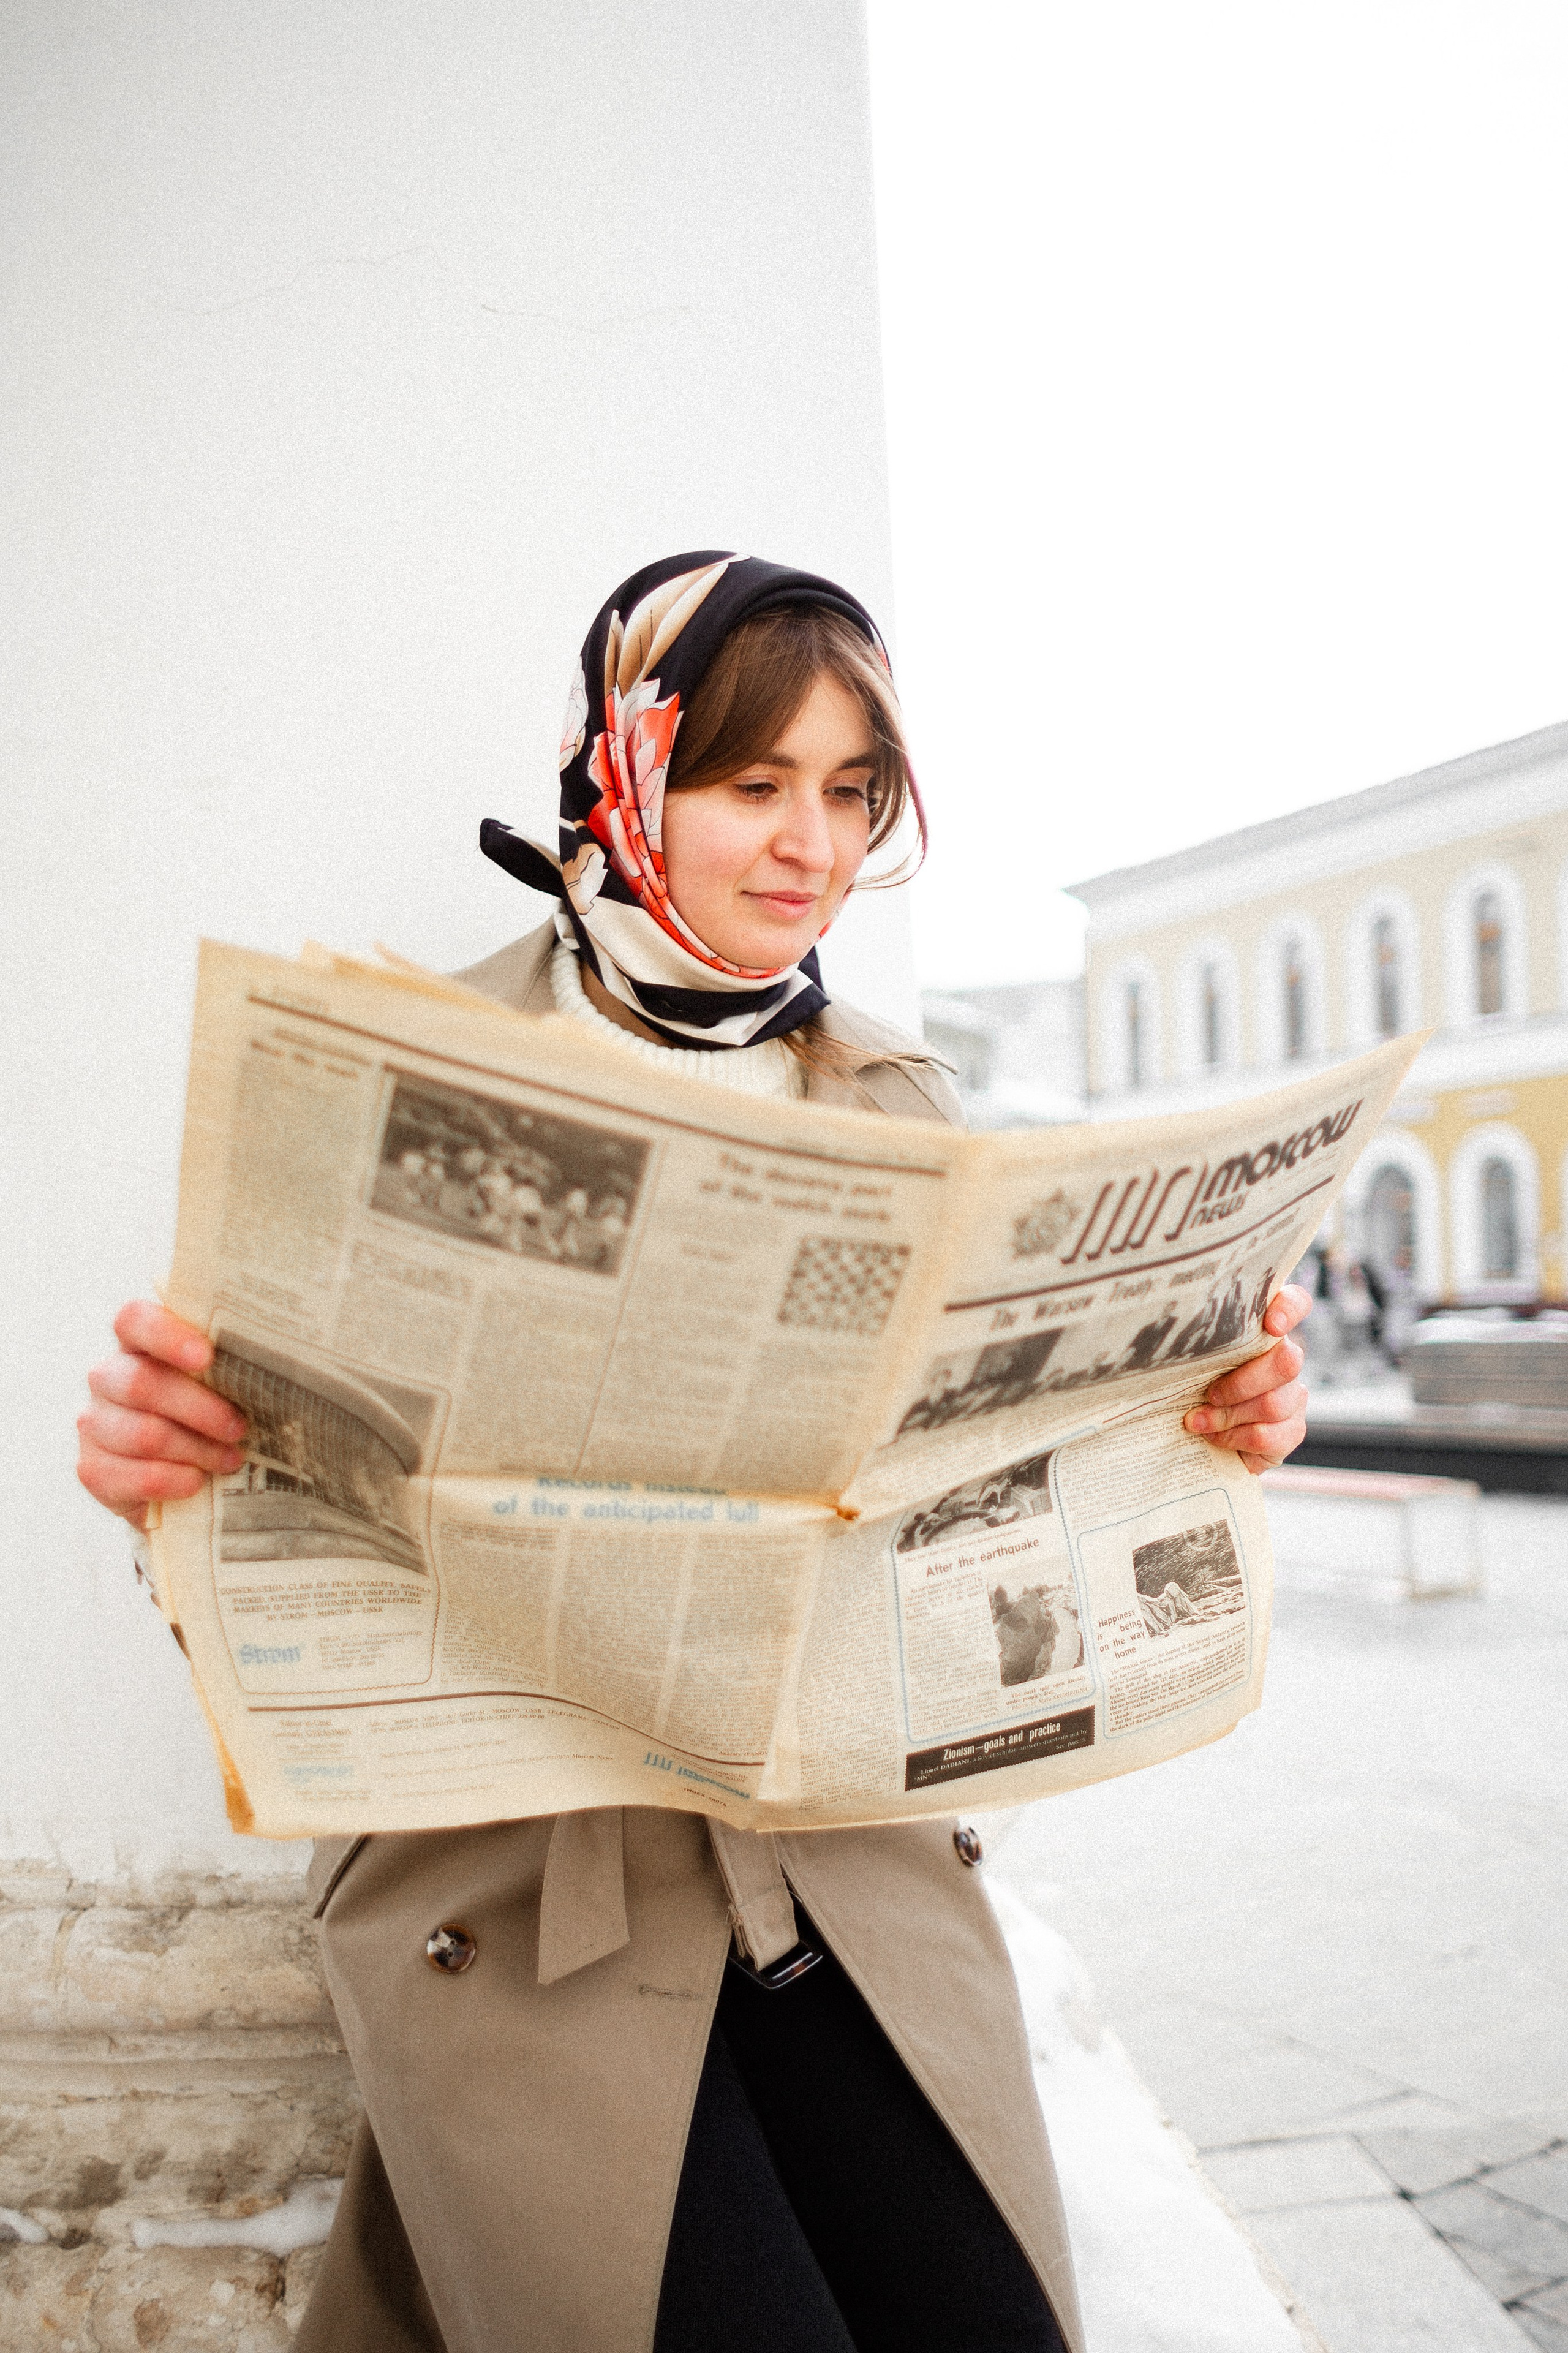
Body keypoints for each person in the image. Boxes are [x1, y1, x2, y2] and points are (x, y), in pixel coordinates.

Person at [76, 552, 1312, 2353]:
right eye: (753, 783)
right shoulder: (418, 1071)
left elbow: (988, 1487)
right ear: (629, 770)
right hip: (527, 1896)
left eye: (853, 791)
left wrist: (1208, 1423)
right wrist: (163, 1476)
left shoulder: (899, 1100)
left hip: (839, 1867)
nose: (812, 846)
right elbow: (257, 1527)